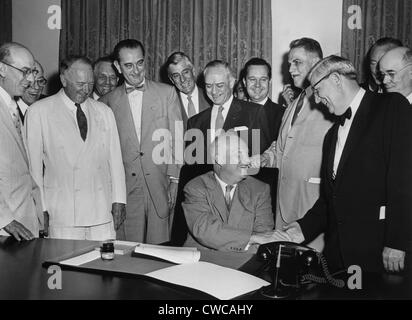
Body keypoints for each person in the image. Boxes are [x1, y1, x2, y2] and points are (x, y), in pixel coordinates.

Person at [281, 55, 412, 273]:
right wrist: (301, 229)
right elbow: (330, 198)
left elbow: (405, 180)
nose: (316, 99)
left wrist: (397, 242)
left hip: (380, 253)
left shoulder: (391, 106)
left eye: (317, 89)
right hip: (338, 256)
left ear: (335, 79)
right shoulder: (332, 134)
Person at [25, 56, 126, 241]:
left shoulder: (104, 111)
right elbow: (34, 170)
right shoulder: (39, 112)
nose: (86, 89)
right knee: (66, 266)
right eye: (80, 84)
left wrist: (119, 199)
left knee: (102, 266)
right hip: (62, 213)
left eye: (90, 83)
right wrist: (41, 209)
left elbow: (115, 160)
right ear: (64, 80)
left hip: (101, 211)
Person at [253, 38, 333, 251]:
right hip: (284, 205)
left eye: (297, 62)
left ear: (317, 62)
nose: (290, 69)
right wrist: (261, 159)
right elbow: (280, 149)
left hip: (314, 208)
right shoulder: (293, 105)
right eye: (289, 63)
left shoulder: (330, 102)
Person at [100, 39, 182, 244]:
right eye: (128, 65)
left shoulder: (167, 93)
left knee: (161, 251)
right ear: (118, 67)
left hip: (160, 186)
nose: (136, 70)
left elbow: (178, 139)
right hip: (126, 190)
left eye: (140, 63)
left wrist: (175, 180)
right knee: (128, 253)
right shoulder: (106, 102)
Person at [183, 132, 277, 252]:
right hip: (202, 260)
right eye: (239, 155)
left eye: (247, 154)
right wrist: (251, 238)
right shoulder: (196, 187)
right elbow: (204, 230)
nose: (247, 160)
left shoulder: (260, 189)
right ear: (219, 159)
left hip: (243, 260)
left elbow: (264, 236)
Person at [0, 42, 43, 240]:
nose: (31, 79)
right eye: (25, 71)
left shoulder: (13, 106)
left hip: (24, 223)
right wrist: (5, 220)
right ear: (2, 68)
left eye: (33, 72)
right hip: (6, 228)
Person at [243, 57, 284, 148]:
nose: (257, 85)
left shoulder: (283, 114)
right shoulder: (234, 113)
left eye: (263, 79)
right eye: (252, 79)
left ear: (270, 81)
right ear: (244, 82)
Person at [165, 52, 211, 129]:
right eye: (176, 76)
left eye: (185, 72)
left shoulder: (211, 97)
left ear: (193, 71)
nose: (182, 79)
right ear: (172, 80)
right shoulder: (168, 104)